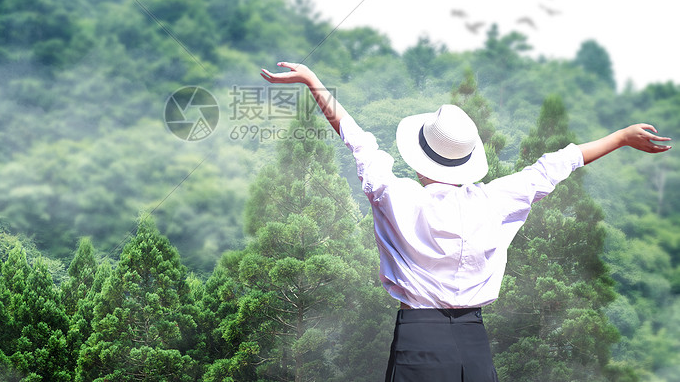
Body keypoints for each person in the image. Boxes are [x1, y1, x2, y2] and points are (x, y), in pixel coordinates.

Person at [260, 61, 671, 382]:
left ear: (420, 154)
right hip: (475, 343)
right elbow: (554, 166)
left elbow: (357, 138)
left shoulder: (395, 195)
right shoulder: (493, 200)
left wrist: (313, 82)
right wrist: (620, 138)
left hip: (418, 340)